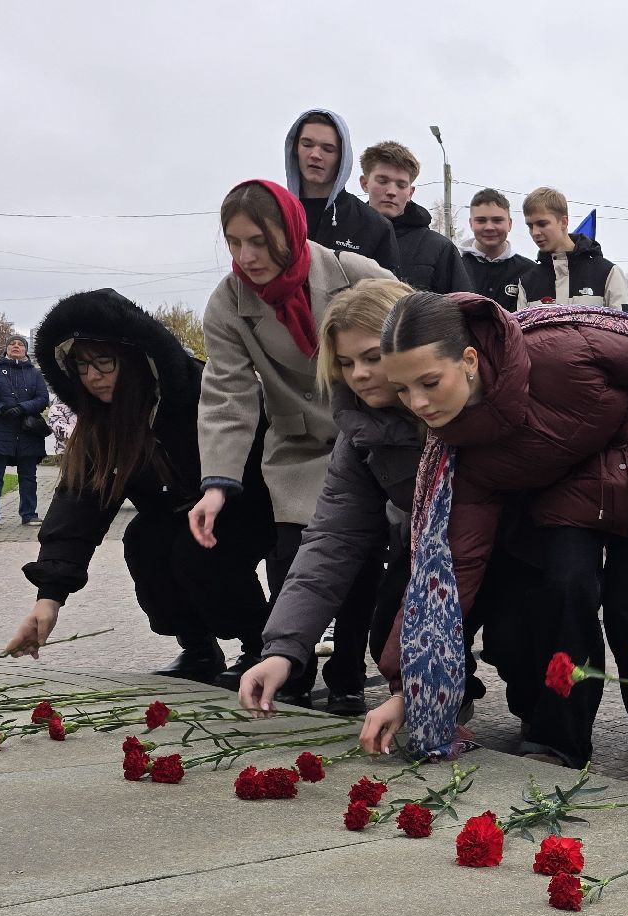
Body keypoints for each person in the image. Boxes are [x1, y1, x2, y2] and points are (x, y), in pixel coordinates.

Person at [355, 291, 628, 765]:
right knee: (562, 586)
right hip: (564, 492)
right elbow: (452, 567)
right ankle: (557, 736)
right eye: (402, 390)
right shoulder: (459, 447)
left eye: (429, 382)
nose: (418, 404)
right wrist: (410, 688)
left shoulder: (564, 348)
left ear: (468, 359)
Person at [4, 289, 273, 682]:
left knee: (196, 553)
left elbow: (252, 444)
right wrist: (50, 598)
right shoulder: (104, 423)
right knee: (144, 540)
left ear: (134, 358)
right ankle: (198, 648)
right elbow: (79, 503)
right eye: (82, 366)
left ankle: (260, 646)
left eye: (104, 362)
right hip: (175, 511)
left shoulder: (197, 390)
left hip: (243, 501)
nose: (92, 377)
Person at [192, 178, 395, 699]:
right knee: (290, 559)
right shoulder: (229, 303)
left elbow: (415, 332)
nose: (246, 256)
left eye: (259, 241)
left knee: (363, 552)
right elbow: (226, 393)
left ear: (290, 231)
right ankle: (290, 674)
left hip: (370, 435)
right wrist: (217, 484)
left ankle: (347, 675)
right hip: (299, 447)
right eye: (235, 243)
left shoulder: (352, 272)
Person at [238, 279, 421, 717]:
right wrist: (282, 649)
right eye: (345, 362)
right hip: (420, 543)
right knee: (388, 639)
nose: (358, 374)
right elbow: (332, 538)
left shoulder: (454, 407)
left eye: (373, 357)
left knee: (521, 630)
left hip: (505, 544)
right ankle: (435, 701)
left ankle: (551, 739)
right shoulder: (359, 431)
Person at [284, 109, 400, 273]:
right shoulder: (273, 216)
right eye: (307, 144)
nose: (315, 154)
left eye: (328, 149)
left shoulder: (374, 226)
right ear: (295, 148)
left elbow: (389, 295)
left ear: (342, 156)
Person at [360, 141, 470, 294]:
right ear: (364, 183)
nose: (391, 191)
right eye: (383, 181)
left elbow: (463, 310)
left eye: (401, 185)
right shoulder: (342, 234)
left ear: (410, 192)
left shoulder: (439, 248)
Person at [515, 187, 628, 313]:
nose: (535, 232)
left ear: (564, 222)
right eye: (530, 226)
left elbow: (622, 330)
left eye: (542, 224)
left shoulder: (608, 273)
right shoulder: (527, 283)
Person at [0, 334, 50, 530]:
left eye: (20, 344)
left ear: (25, 350)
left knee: (28, 478)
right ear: (6, 348)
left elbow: (43, 398)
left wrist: (23, 408)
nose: (16, 346)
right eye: (12, 344)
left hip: (27, 433)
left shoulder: (34, 373)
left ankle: (29, 514)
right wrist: (0, 408)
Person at [462, 189, 534, 311]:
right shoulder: (455, 266)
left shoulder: (529, 272)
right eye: (481, 220)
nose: (489, 227)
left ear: (510, 224)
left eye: (497, 220)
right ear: (471, 223)